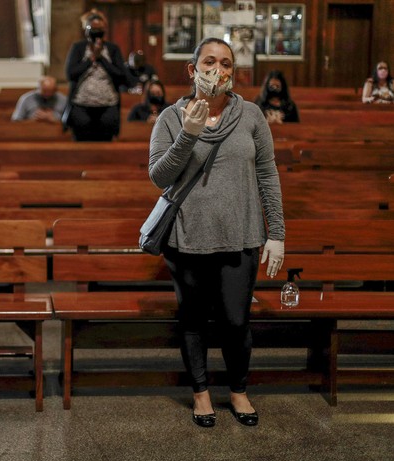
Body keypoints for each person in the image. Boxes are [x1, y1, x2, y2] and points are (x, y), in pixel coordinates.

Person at [148, 37, 285, 428]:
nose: (218, 71)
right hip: (187, 237)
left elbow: (267, 174)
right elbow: (159, 176)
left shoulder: (252, 115)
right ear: (192, 71)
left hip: (241, 234)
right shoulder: (171, 118)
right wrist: (188, 133)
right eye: (209, 62)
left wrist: (276, 231)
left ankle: (239, 391)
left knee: (236, 320)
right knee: (193, 319)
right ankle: (201, 393)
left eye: (226, 64)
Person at [63, 9, 127, 142]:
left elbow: (121, 76)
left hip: (108, 106)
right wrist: (91, 58)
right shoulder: (78, 48)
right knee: (82, 142)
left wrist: (102, 59)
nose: (97, 32)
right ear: (87, 30)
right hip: (81, 105)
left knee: (105, 142)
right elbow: (71, 74)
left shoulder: (112, 49)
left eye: (100, 29)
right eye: (93, 28)